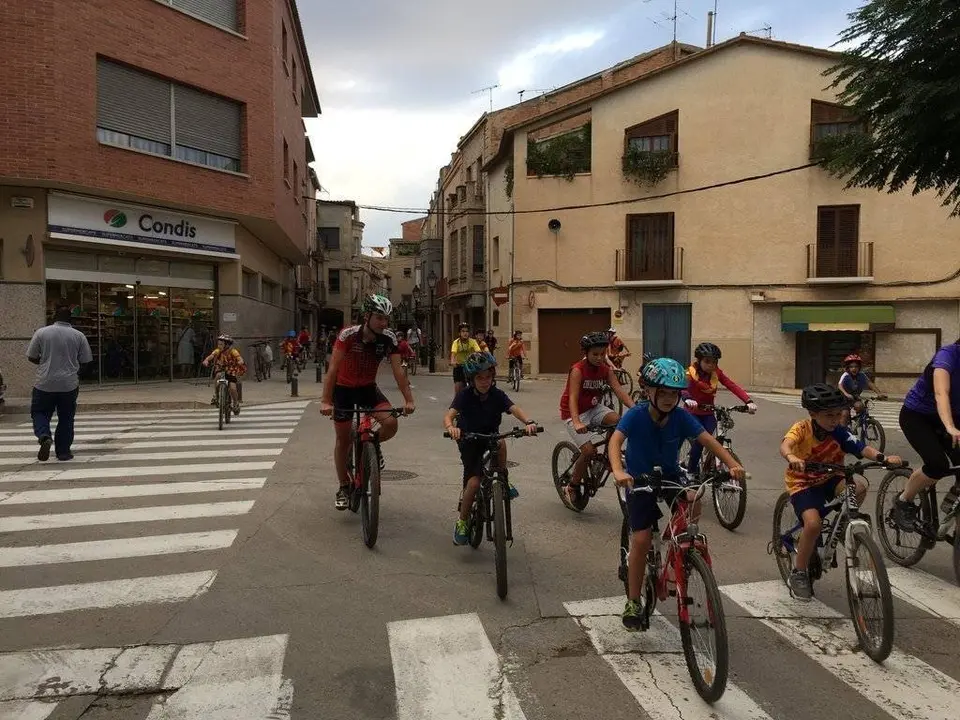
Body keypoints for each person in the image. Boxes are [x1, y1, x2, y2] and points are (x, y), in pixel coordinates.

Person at [609, 357, 745, 629]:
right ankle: (633, 600)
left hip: (670, 474)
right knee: (642, 539)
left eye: (675, 393)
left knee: (694, 500)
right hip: (639, 479)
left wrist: (732, 464)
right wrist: (618, 471)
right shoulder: (636, 414)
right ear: (649, 391)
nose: (671, 399)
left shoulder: (681, 417)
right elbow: (616, 441)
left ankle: (675, 544)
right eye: (664, 392)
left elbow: (708, 441)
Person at [780, 383, 901, 600]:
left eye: (838, 414)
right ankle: (798, 572)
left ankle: (844, 521)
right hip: (803, 482)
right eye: (829, 415)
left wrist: (884, 458)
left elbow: (862, 448)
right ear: (813, 414)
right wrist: (792, 457)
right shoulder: (801, 429)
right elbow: (786, 445)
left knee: (860, 485)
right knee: (814, 524)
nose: (835, 419)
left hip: (832, 477)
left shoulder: (839, 432)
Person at [321, 294, 416, 510]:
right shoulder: (348, 336)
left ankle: (372, 444)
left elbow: (398, 372)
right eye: (380, 318)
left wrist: (408, 400)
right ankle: (344, 486)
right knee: (343, 441)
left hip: (367, 390)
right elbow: (333, 369)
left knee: (391, 422)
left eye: (387, 319)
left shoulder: (389, 339)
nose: (384, 323)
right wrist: (326, 401)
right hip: (343, 391)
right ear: (367, 316)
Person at [443, 352, 538, 545]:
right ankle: (462, 521)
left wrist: (529, 422)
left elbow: (513, 408)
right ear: (471, 379)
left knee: (501, 442)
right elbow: (449, 415)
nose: (485, 382)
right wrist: (451, 428)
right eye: (479, 378)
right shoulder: (464, 396)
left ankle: (503, 477)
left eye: (488, 377)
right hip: (469, 440)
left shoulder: (497, 395)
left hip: (490, 437)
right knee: (474, 484)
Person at [559, 331, 635, 507]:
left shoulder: (606, 370)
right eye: (595, 354)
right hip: (574, 412)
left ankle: (609, 454)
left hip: (594, 408)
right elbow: (572, 398)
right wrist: (577, 422)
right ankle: (572, 486)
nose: (600, 358)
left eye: (603, 354)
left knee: (618, 420)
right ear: (586, 353)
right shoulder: (578, 370)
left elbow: (620, 391)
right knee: (587, 451)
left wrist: (636, 409)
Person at [892, 338, 960, 531]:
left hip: (954, 415)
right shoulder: (948, 355)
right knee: (938, 465)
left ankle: (954, 500)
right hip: (918, 415)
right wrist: (950, 426)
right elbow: (941, 393)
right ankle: (904, 501)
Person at [26, 304, 93, 462]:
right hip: (68, 384)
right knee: (66, 417)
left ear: (54, 317)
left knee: (39, 412)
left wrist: (44, 362)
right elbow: (86, 361)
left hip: (44, 382)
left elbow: (31, 356)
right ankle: (63, 452)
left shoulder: (41, 333)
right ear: (71, 319)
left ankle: (44, 436)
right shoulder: (78, 335)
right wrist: (77, 373)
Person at [683, 342, 757, 472]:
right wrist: (688, 398)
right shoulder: (690, 373)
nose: (711, 365)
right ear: (699, 360)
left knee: (712, 440)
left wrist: (748, 400)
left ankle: (711, 465)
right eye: (707, 361)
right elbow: (683, 388)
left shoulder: (716, 373)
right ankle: (691, 472)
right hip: (692, 412)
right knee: (701, 441)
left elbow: (731, 385)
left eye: (714, 362)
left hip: (708, 413)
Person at [202, 334, 246, 414]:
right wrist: (206, 360)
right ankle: (216, 395)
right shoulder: (218, 351)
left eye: (221, 344)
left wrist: (240, 361)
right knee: (218, 376)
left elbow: (240, 358)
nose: (219, 346)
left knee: (232, 388)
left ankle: (235, 403)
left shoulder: (233, 351)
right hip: (221, 369)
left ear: (227, 345)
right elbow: (211, 356)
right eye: (218, 344)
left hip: (231, 371)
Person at [838, 353, 887, 423]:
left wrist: (879, 393)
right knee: (845, 415)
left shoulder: (862, 375)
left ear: (859, 367)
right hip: (844, 399)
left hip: (855, 398)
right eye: (851, 367)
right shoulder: (845, 375)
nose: (854, 369)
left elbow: (870, 383)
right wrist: (846, 394)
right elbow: (839, 385)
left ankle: (857, 424)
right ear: (848, 368)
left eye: (856, 366)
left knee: (860, 406)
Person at [450, 323, 482, 394]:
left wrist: (479, 358)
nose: (465, 333)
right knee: (458, 387)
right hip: (459, 366)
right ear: (459, 333)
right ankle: (457, 402)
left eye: (467, 331)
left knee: (476, 386)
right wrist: (452, 361)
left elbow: (478, 352)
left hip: (471, 366)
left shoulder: (473, 341)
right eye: (463, 331)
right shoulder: (456, 342)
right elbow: (453, 353)